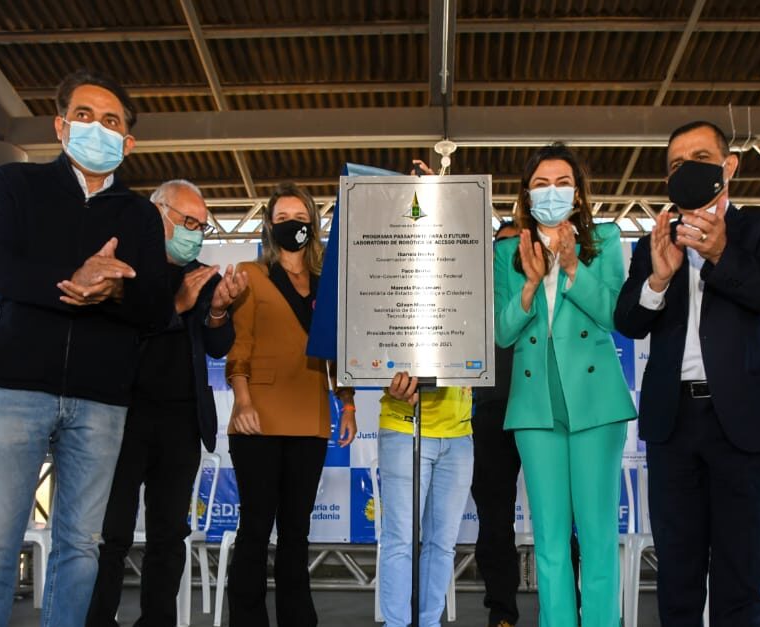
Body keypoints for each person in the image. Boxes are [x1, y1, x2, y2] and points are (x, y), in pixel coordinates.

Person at [0, 69, 173, 627]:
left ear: (128, 142)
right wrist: (73, 279)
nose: (95, 128)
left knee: (82, 546)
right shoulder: (13, 185)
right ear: (59, 125)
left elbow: (153, 308)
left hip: (101, 400)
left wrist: (111, 288)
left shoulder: (140, 215)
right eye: (83, 116)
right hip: (13, 389)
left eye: (110, 121)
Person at [614, 121, 760, 626]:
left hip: (744, 422)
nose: (687, 170)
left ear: (729, 166)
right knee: (677, 575)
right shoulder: (653, 241)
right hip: (673, 422)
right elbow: (629, 322)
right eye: (676, 164)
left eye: (700, 157)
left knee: (740, 576)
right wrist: (658, 277)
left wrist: (721, 253)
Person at [86, 179, 247, 627]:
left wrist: (216, 310)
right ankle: (97, 619)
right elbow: (116, 337)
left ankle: (156, 621)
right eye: (188, 221)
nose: (195, 231)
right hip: (122, 418)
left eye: (201, 225)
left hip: (181, 422)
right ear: (158, 213)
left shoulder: (202, 274)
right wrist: (177, 305)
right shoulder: (124, 270)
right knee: (111, 534)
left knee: (168, 535)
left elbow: (218, 347)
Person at [494, 143, 635, 627]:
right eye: (540, 183)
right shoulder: (507, 253)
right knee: (550, 542)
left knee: (596, 539)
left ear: (577, 193)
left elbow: (615, 314)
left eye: (561, 182)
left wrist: (572, 265)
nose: (550, 192)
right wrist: (531, 285)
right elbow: (503, 331)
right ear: (525, 194)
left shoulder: (608, 240)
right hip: (535, 409)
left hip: (596, 406)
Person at [224, 183, 355, 626]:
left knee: (296, 534)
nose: (291, 225)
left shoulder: (327, 285)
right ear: (269, 226)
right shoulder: (249, 273)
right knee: (256, 530)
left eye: (298, 217)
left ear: (312, 225)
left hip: (311, 419)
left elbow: (339, 354)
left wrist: (348, 403)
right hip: (256, 417)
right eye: (281, 219)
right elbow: (239, 346)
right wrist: (242, 401)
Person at [376, 373, 473, 627]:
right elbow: (374, 347)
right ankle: (396, 624)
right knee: (400, 540)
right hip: (405, 425)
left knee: (442, 543)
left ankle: (430, 623)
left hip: (459, 432)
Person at [470, 221, 523, 627]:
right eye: (498, 249)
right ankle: (502, 615)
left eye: (514, 248)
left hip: (541, 411)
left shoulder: (541, 288)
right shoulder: (475, 295)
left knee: (559, 519)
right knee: (495, 524)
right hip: (489, 413)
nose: (505, 258)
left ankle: (572, 610)